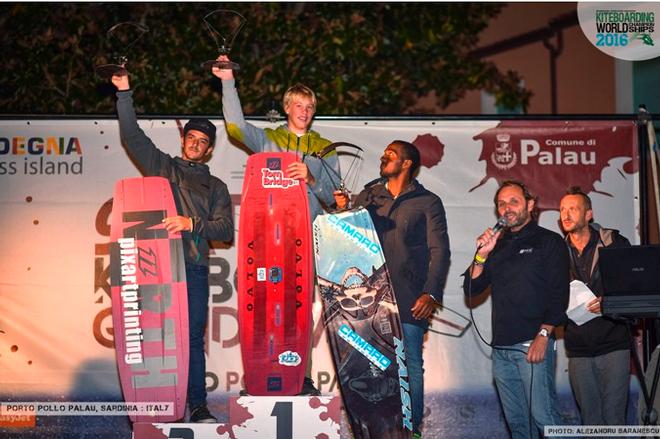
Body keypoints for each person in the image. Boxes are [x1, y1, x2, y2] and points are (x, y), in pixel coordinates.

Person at [213, 56, 341, 396]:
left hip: (303, 242)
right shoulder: (267, 138)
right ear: (287, 107)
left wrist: (312, 177)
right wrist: (228, 82)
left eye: (310, 106)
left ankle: (302, 377)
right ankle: (258, 374)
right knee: (260, 306)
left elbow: (334, 197)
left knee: (298, 311)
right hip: (265, 240)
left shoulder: (324, 148)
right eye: (298, 104)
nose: (305, 110)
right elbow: (236, 126)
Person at [111, 71, 234, 423]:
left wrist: (191, 224)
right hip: (154, 270)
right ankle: (154, 406)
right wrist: (124, 92)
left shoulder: (217, 186)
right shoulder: (161, 167)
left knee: (192, 339)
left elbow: (226, 230)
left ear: (209, 148)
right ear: (183, 140)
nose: (195, 143)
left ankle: (197, 406)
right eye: (191, 137)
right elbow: (133, 137)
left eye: (202, 141)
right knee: (151, 336)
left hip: (192, 268)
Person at [337, 140, 451, 437]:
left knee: (409, 364)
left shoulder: (428, 202)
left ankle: (410, 431)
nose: (383, 156)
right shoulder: (369, 196)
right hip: (369, 301)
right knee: (369, 369)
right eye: (383, 151)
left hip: (409, 297)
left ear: (406, 163)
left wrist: (432, 293)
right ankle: (377, 430)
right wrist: (343, 213)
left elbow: (440, 251)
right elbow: (348, 240)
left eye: (391, 153)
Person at [463, 180, 568, 439]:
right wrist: (481, 256)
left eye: (514, 201)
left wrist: (544, 335)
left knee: (546, 419)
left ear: (530, 205)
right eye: (501, 203)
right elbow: (472, 289)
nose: (506, 208)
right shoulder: (495, 245)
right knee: (519, 425)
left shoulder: (549, 241)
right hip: (501, 349)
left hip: (531, 344)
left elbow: (559, 294)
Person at [559, 186, 631, 425]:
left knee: (613, 418)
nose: (566, 214)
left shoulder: (615, 243)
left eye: (573, 208)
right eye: (562, 210)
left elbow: (633, 286)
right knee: (590, 420)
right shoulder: (556, 251)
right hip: (578, 348)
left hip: (614, 343)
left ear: (589, 214)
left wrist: (609, 302)